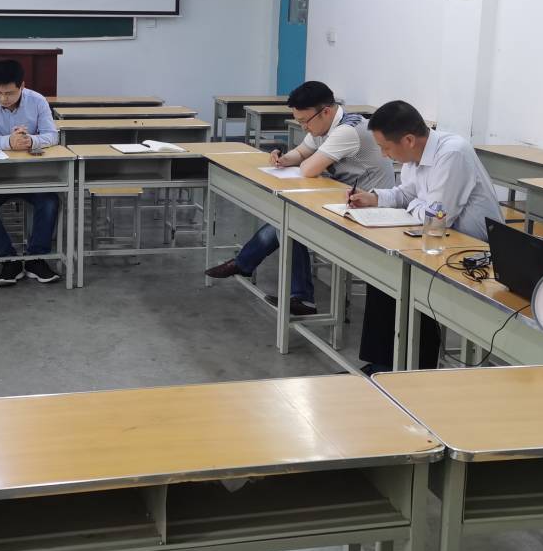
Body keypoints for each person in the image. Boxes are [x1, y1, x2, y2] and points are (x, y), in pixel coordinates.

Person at [205, 81, 395, 317]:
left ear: (326, 111)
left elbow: (308, 169)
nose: (303, 127)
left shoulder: (347, 130)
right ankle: (253, 269)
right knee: (286, 219)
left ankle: (276, 282)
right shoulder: (323, 126)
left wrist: (304, 162)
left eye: (305, 121)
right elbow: (302, 153)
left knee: (291, 222)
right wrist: (282, 159)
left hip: (368, 210)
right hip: (343, 197)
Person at [349, 100, 502, 372]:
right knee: (383, 272)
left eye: (386, 148)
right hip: (437, 242)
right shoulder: (413, 157)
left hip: (472, 250)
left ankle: (414, 369)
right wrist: (375, 198)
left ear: (408, 140)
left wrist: (416, 206)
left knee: (415, 284)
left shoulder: (452, 153)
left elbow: (438, 217)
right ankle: (382, 363)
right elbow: (406, 194)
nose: (384, 155)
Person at [0, 58, 61, 286]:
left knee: (50, 202)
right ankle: (8, 260)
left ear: (22, 86)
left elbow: (52, 135)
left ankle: (35, 259)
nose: (3, 98)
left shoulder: (37, 101)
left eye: (9, 93)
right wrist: (8, 142)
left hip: (32, 175)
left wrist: (31, 141)